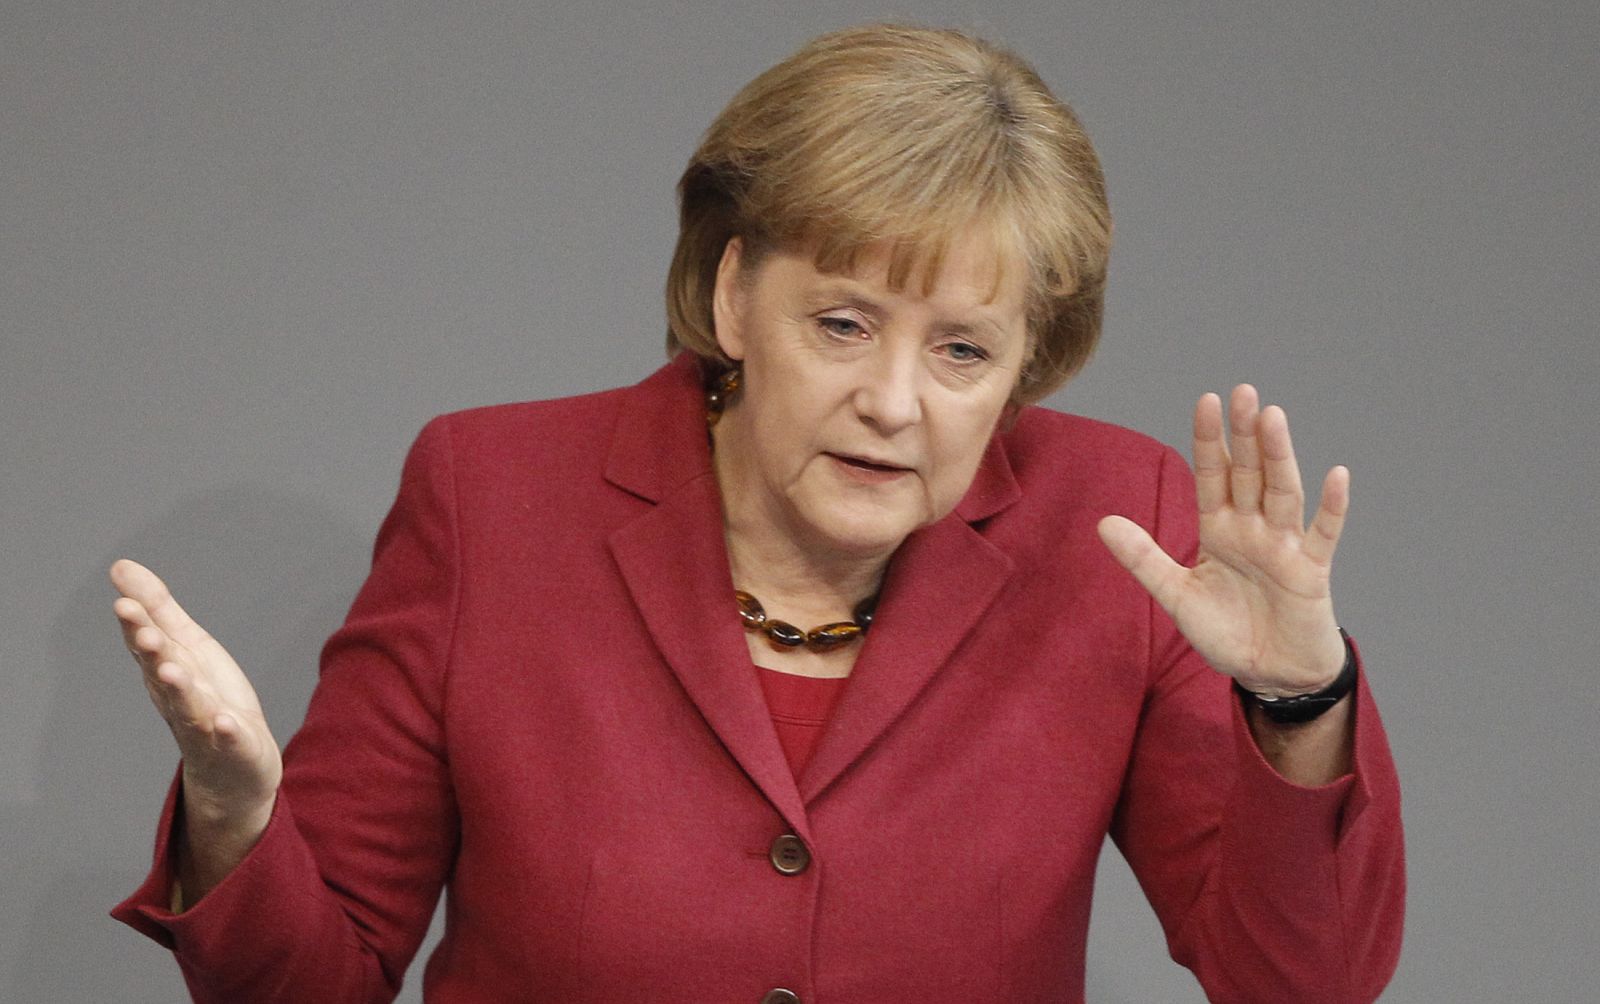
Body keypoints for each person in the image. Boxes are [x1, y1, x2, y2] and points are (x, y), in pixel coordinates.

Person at [109, 22, 1404, 1004]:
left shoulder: (1116, 524)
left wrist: (1299, 701)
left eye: (962, 350)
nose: (892, 402)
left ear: (1027, 364)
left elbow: (1301, 985)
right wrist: (236, 812)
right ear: (734, 296)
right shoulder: (493, 498)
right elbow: (311, 984)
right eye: (842, 323)